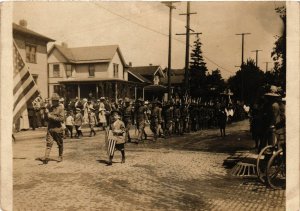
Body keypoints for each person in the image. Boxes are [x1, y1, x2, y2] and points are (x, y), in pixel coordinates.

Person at [38, 93, 65, 164]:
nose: (52, 102)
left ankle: (60, 156)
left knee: (60, 144)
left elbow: (62, 119)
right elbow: (46, 120)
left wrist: (51, 116)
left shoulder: (61, 108)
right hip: (50, 128)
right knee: (49, 143)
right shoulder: (50, 108)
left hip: (57, 129)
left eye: (54, 101)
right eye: (52, 101)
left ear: (57, 101)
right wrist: (46, 114)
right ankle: (46, 157)